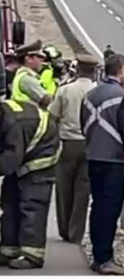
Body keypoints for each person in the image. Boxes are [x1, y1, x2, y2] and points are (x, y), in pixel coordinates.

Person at [81, 54, 124, 275]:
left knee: (97, 206)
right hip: (113, 161)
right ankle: (104, 258)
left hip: (93, 157)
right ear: (120, 69)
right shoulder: (123, 97)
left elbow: (84, 126)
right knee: (109, 211)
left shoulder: (89, 95)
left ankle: (98, 254)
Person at [0, 96, 61, 269]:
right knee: (9, 200)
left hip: (41, 155)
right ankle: (9, 248)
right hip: (25, 150)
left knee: (32, 203)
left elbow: (11, 157)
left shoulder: (13, 124)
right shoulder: (5, 117)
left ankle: (32, 254)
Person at [49, 54, 98, 245]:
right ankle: (76, 233)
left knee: (64, 187)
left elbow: (53, 116)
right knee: (83, 190)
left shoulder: (65, 90)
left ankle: (64, 228)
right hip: (90, 144)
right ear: (94, 71)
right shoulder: (96, 91)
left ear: (77, 70)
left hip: (67, 143)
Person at [11, 40, 53, 109]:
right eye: (39, 57)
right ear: (28, 59)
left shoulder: (21, 75)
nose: (42, 60)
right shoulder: (27, 79)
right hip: (30, 118)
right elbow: (46, 100)